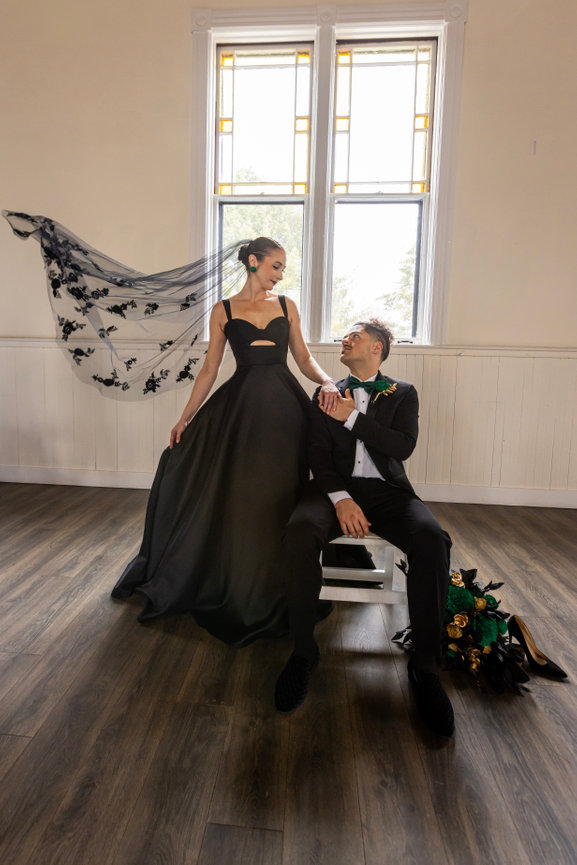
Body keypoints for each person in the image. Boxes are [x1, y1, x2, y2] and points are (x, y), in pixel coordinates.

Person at [112, 237, 339, 646]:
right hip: (242, 410)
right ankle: (240, 580)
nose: (281, 274)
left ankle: (284, 584)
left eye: (283, 268)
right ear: (253, 262)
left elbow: (303, 358)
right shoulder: (224, 310)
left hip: (285, 411)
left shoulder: (287, 305)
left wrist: (326, 381)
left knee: (281, 491)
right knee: (244, 495)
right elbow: (210, 370)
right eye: (275, 265)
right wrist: (185, 417)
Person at [275, 318, 455, 736]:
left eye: (355, 335)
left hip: (388, 492)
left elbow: (402, 447)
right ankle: (303, 652)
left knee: (432, 540)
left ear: (377, 347)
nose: (346, 339)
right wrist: (341, 498)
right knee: (299, 533)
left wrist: (352, 417)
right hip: (332, 489)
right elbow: (317, 454)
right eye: (345, 335)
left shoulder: (403, 393)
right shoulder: (325, 392)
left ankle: (425, 667)